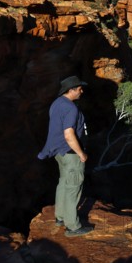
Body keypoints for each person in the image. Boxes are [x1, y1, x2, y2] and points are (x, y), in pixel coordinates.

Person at [38, 75, 93, 237]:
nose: (81, 91)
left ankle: (60, 217)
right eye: (79, 89)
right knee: (73, 188)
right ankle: (73, 227)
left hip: (59, 152)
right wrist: (81, 153)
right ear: (71, 90)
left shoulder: (57, 103)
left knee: (63, 183)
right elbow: (69, 134)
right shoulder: (71, 108)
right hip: (71, 154)